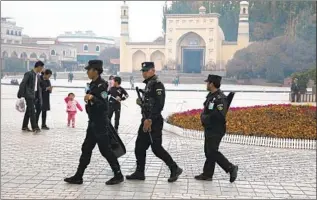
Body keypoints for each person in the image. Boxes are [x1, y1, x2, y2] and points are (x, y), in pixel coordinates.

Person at [64, 60, 124, 185]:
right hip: (93, 122)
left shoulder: (102, 85)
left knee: (105, 150)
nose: (87, 72)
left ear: (95, 71)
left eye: (89, 70)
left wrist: (93, 98)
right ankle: (78, 176)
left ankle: (118, 175)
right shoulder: (92, 84)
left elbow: (104, 106)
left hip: (100, 123)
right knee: (86, 148)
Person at [126, 62, 182, 183]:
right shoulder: (148, 85)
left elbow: (159, 105)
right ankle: (140, 172)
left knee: (156, 148)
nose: (144, 73)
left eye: (146, 70)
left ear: (153, 71)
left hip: (153, 121)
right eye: (143, 71)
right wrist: (141, 103)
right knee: (139, 147)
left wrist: (150, 119)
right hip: (146, 120)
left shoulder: (157, 85)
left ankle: (174, 168)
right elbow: (149, 102)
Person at [196, 74, 238, 182]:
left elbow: (220, 115)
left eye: (208, 82)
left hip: (216, 129)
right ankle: (207, 174)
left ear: (212, 84)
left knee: (212, 152)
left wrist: (206, 118)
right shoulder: (212, 96)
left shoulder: (220, 98)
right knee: (208, 151)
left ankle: (230, 168)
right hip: (210, 128)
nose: (206, 84)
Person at [17, 61, 44, 133]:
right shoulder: (29, 74)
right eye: (42, 68)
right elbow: (23, 83)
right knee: (32, 111)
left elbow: (37, 87)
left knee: (29, 111)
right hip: (28, 95)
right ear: (38, 67)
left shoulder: (37, 75)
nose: (42, 69)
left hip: (34, 94)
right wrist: (21, 95)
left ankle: (24, 126)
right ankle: (34, 127)